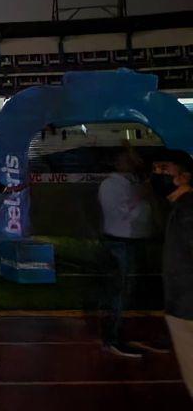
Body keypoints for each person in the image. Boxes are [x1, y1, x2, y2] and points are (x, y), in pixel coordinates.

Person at [98, 149, 153, 358]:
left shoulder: (132, 182)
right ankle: (112, 338)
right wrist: (139, 198)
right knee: (119, 293)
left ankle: (119, 334)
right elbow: (119, 215)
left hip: (133, 241)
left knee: (129, 291)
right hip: (120, 243)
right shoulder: (111, 185)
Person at [162, 153, 193, 395]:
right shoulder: (182, 205)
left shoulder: (187, 208)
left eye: (167, 169)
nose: (162, 173)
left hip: (186, 303)